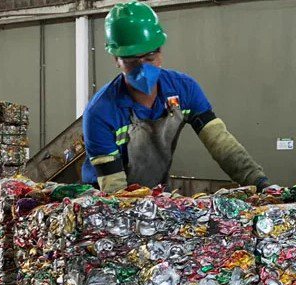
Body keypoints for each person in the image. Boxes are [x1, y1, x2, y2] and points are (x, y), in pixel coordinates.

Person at [82, 2, 270, 193]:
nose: (143, 69)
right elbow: (114, 189)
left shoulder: (183, 89)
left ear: (160, 52)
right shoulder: (100, 112)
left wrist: (259, 183)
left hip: (157, 192)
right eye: (131, 61)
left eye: (149, 58)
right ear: (116, 60)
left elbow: (220, 143)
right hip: (106, 199)